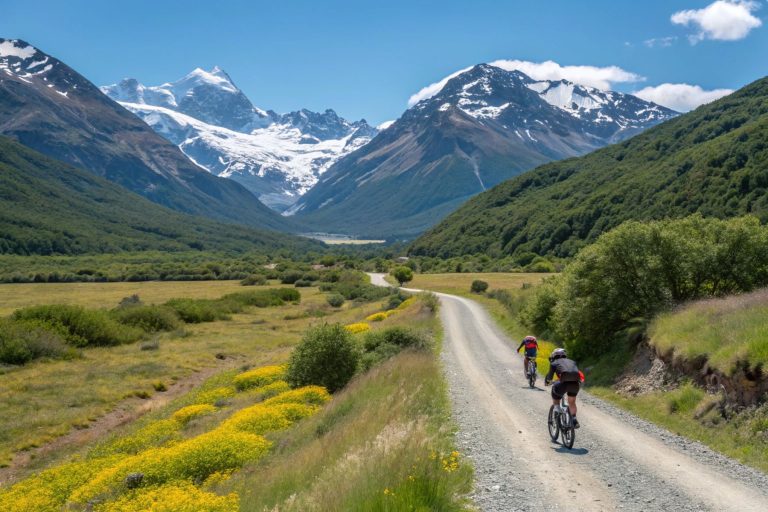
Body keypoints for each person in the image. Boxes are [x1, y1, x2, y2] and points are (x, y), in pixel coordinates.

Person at [544, 348, 584, 428]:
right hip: (575, 385)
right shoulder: (572, 362)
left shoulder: (554, 363)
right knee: (572, 402)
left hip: (563, 384)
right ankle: (574, 419)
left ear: (554, 356)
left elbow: (549, 377)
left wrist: (548, 382)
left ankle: (557, 408)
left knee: (555, 390)